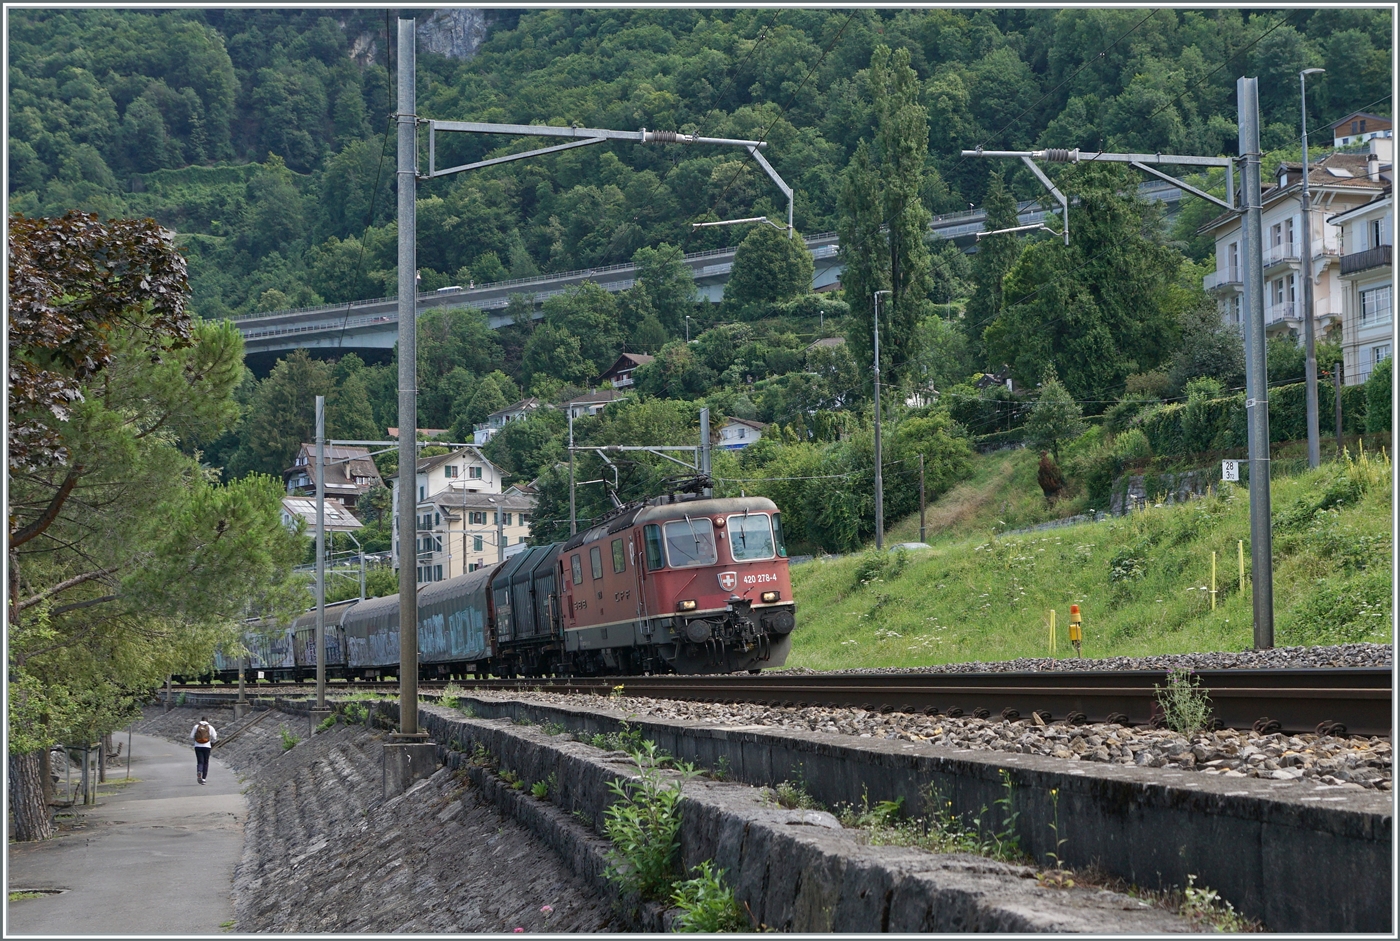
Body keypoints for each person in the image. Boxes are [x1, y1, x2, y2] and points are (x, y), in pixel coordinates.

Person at [190, 717, 217, 784]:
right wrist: (211, 742)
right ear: (207, 721)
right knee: (206, 762)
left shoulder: (196, 726)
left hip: (198, 746)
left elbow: (191, 736)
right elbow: (215, 736)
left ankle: (199, 770)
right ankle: (204, 779)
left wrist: (196, 741)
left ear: (201, 720)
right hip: (207, 746)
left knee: (200, 762)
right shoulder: (210, 727)